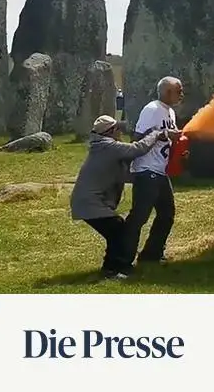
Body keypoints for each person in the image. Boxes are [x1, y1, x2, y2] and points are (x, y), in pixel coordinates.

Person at [70, 115, 169, 279]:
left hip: (87, 201)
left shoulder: (103, 147)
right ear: (111, 132)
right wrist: (157, 133)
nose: (120, 132)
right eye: (118, 129)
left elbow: (124, 176)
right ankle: (112, 270)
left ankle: (111, 268)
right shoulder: (108, 146)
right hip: (90, 203)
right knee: (118, 231)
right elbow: (138, 149)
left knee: (116, 231)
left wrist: (146, 175)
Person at [124, 76, 186, 268]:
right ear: (167, 92)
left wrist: (178, 149)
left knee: (167, 213)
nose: (182, 94)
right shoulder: (152, 110)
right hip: (146, 170)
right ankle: (121, 259)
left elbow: (166, 140)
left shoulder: (171, 113)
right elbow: (137, 138)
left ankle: (151, 254)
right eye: (179, 90)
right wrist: (164, 134)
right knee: (139, 217)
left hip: (160, 171)